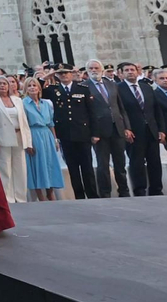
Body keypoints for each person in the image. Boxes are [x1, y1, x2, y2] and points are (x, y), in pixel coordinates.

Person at [45, 68, 98, 199]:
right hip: (66, 134)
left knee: (87, 167)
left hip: (83, 133)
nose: (64, 75)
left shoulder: (82, 89)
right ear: (57, 75)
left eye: (66, 72)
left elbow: (91, 112)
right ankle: (79, 195)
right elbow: (39, 89)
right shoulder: (54, 90)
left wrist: (95, 133)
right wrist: (48, 75)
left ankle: (92, 194)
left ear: (71, 74)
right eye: (60, 73)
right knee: (73, 168)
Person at [113, 63, 161, 196]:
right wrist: (125, 129)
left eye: (132, 70)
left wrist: (161, 129)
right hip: (133, 131)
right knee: (137, 162)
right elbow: (119, 112)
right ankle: (140, 190)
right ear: (121, 73)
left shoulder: (146, 88)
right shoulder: (117, 89)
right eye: (127, 70)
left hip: (151, 130)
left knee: (155, 161)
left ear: (137, 72)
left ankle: (156, 189)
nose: (130, 72)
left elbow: (156, 110)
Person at [83, 61, 129, 197]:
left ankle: (124, 191)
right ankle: (105, 193)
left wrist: (127, 127)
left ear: (102, 70)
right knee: (103, 165)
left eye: (96, 68)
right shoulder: (84, 86)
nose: (94, 70)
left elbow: (120, 108)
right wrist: (91, 132)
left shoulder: (112, 84)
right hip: (99, 132)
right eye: (90, 68)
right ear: (87, 71)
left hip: (117, 128)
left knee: (120, 163)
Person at [0, 75, 30, 204]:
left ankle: (20, 197)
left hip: (18, 135)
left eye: (4, 83)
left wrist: (28, 140)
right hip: (2, 136)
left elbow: (24, 121)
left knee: (20, 167)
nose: (2, 86)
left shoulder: (17, 100)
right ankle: (7, 198)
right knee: (4, 168)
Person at [20, 77, 63, 201]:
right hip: (33, 134)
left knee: (50, 162)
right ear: (26, 89)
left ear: (39, 88)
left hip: (47, 134)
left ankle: (50, 192)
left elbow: (51, 123)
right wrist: (28, 143)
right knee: (37, 164)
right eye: (29, 86)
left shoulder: (46, 104)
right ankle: (40, 195)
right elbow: (24, 124)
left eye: (35, 85)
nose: (32, 87)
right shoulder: (23, 104)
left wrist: (55, 139)